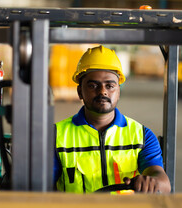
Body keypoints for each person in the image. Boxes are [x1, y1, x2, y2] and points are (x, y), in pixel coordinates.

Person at [54, 45, 171, 194]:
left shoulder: (142, 136)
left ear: (119, 91)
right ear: (80, 92)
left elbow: (164, 183)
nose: (102, 91)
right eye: (93, 85)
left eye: (110, 85)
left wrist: (152, 182)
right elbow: (39, 187)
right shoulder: (56, 136)